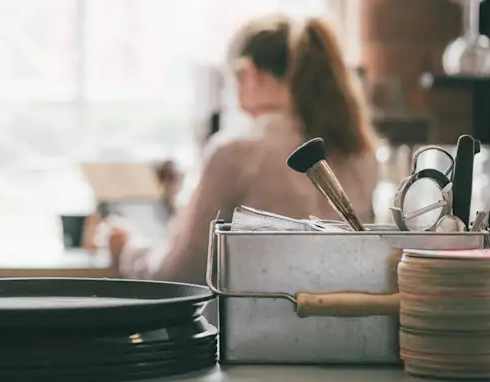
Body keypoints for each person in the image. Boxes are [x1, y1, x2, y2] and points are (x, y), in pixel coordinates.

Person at [101, 14, 379, 286]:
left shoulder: (235, 154)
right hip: (339, 325)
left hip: (255, 327)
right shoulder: (361, 154)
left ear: (248, 73)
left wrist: (128, 248)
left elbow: (177, 276)